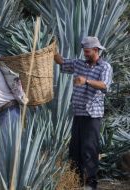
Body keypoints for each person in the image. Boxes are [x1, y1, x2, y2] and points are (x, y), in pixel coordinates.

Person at [54, 36, 113, 190]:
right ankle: (77, 181)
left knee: (89, 149)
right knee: (75, 149)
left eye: (87, 52)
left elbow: (104, 85)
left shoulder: (104, 67)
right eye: (84, 52)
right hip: (78, 113)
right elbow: (61, 61)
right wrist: (51, 49)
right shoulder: (79, 64)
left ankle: (90, 183)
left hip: (93, 115)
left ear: (96, 50)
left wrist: (86, 81)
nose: (85, 54)